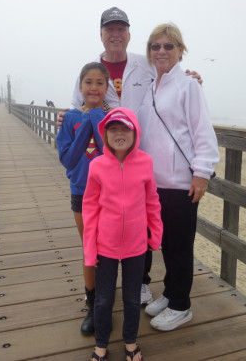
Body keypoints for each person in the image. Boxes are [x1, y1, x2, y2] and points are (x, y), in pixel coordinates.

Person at [66, 6, 203, 307]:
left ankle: (140, 283)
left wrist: (191, 76)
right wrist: (69, 116)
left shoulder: (146, 64)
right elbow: (78, 109)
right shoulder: (91, 71)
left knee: (142, 222)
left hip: (141, 163)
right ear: (101, 35)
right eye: (109, 29)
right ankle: (102, 296)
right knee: (113, 227)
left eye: (121, 29)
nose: (115, 35)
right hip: (104, 166)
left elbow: (171, 80)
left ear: (128, 35)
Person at [138, 23, 220, 332]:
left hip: (181, 182)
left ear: (180, 50)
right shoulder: (150, 87)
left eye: (168, 46)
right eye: (155, 46)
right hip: (153, 182)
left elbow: (202, 132)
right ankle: (171, 291)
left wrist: (202, 174)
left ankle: (181, 306)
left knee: (180, 246)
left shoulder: (188, 85)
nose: (161, 51)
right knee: (164, 243)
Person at [83, 107, 163, 361]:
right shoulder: (97, 165)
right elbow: (90, 208)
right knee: (104, 300)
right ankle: (101, 345)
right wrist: (90, 249)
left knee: (131, 299)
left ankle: (130, 342)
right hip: (104, 245)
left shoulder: (145, 162)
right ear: (104, 134)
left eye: (124, 128)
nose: (119, 133)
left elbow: (152, 201)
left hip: (136, 245)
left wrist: (155, 234)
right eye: (113, 129)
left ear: (135, 132)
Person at [56, 62, 111, 336]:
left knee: (110, 250)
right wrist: (86, 122)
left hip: (110, 194)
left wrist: (97, 120)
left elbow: (114, 156)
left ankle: (107, 302)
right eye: (88, 82)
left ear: (107, 87)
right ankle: (92, 305)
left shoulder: (114, 117)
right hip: (81, 191)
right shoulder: (69, 118)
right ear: (80, 86)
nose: (93, 87)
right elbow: (68, 159)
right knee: (90, 249)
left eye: (100, 82)